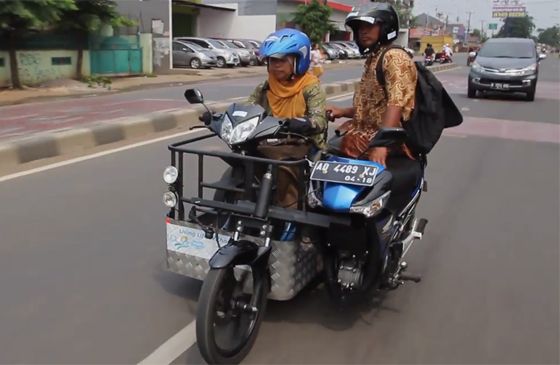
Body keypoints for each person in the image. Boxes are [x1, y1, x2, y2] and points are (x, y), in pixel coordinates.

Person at [327, 2, 422, 208]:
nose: (363, 32)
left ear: (385, 27)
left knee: (326, 159)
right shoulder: (375, 57)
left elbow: (396, 103)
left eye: (369, 26)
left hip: (384, 139)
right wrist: (343, 111)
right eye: (359, 28)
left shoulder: (394, 58)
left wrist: (382, 144)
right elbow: (372, 106)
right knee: (318, 156)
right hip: (364, 133)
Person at [247, 28, 327, 212]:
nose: (275, 65)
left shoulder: (311, 87)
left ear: (299, 60)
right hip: (270, 139)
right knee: (243, 158)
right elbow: (248, 107)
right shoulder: (266, 86)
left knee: (284, 169)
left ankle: (294, 220)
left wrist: (305, 123)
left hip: (303, 143)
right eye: (272, 60)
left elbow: (319, 120)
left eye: (282, 60)